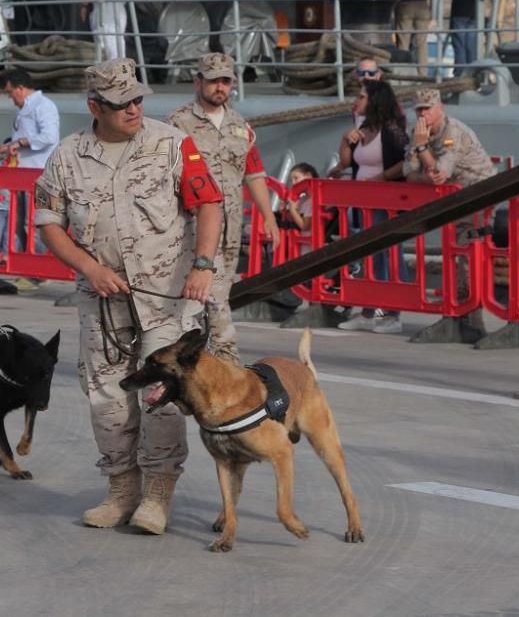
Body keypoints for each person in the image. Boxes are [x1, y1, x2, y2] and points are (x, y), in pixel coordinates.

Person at [35, 57, 224, 536]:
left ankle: (158, 494)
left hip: (164, 296)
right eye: (122, 104)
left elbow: (209, 204)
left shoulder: (172, 144)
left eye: (138, 99)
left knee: (160, 394)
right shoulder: (66, 156)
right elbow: (48, 226)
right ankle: (121, 489)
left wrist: (203, 266)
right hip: (102, 300)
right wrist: (89, 268)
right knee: (107, 396)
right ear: (95, 106)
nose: (134, 109)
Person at [167, 52, 279, 364]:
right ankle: (229, 361)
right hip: (193, 227)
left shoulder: (240, 126)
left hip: (230, 230)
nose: (220, 87)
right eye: (213, 80)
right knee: (213, 299)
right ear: (198, 81)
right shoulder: (178, 123)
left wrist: (268, 217)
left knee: (217, 295)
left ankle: (198, 360)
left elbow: (253, 172)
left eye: (226, 81)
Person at [404, 86, 493, 338]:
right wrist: (423, 163)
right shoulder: (418, 133)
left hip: (478, 196)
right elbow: (408, 174)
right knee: (455, 256)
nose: (423, 115)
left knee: (468, 257)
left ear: (440, 108)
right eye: (419, 110)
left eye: (427, 109)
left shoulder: (452, 131)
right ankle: (458, 315)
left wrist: (422, 150)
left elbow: (440, 174)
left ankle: (474, 322)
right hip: (453, 202)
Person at [330, 80, 410, 334]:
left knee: (389, 252)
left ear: (374, 100)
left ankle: (392, 313)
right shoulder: (362, 127)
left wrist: (382, 178)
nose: (358, 100)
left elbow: (406, 161)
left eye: (362, 96)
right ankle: (367, 309)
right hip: (362, 200)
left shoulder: (392, 129)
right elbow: (346, 161)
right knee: (368, 253)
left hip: (386, 201)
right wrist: (345, 140)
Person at [0, 68, 59, 257]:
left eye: (10, 93)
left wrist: (22, 142)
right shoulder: (26, 108)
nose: (10, 98)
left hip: (42, 176)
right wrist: (10, 144)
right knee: (23, 221)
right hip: (24, 176)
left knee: (39, 221)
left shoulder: (44, 106)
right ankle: (26, 263)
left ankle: (40, 268)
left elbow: (50, 136)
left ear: (20, 88)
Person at [389, 0, 436, 76]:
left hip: (405, 6)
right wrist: (432, 10)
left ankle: (403, 75)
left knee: (403, 42)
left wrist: (393, 11)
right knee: (421, 43)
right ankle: (422, 74)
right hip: (422, 7)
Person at [446, 0, 484, 77]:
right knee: (471, 46)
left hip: (459, 13)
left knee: (459, 46)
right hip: (474, 13)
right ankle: (473, 74)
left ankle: (460, 75)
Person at [284, 163, 318, 256]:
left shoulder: (312, 201)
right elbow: (293, 218)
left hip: (310, 245)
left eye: (296, 178)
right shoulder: (303, 199)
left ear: (308, 176)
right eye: (291, 180)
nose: (293, 183)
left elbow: (304, 226)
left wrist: (292, 210)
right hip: (302, 242)